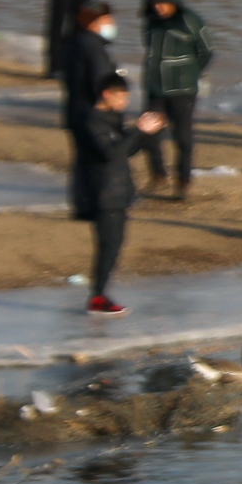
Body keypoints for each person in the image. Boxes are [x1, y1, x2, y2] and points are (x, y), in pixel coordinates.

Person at [70, 73, 162, 316]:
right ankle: (98, 297)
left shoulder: (112, 119)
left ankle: (100, 294)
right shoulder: (91, 121)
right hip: (101, 192)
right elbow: (109, 153)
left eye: (127, 98)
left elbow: (124, 151)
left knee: (114, 244)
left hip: (117, 190)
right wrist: (136, 130)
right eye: (121, 97)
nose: (125, 103)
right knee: (108, 245)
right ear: (107, 94)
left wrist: (146, 133)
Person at [137, 0, 214, 199]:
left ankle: (183, 182)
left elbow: (206, 51)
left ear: (174, 1)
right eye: (155, 3)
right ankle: (158, 176)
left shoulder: (190, 21)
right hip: (155, 89)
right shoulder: (150, 23)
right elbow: (149, 50)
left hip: (183, 91)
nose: (159, 7)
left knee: (183, 138)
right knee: (148, 135)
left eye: (163, 2)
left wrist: (189, 72)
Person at [55, 0, 121, 132]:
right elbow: (100, 80)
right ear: (93, 23)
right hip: (92, 116)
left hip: (75, 112)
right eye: (107, 20)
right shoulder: (93, 47)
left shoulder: (74, 42)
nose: (112, 24)